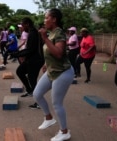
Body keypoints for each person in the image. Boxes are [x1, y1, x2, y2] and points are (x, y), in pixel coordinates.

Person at [33, 8, 74, 141]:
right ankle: (49, 118)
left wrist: (44, 38)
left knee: (57, 103)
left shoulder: (59, 33)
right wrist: (46, 64)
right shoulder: (51, 33)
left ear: (54, 19)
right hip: (51, 71)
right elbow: (49, 53)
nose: (44, 20)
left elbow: (58, 53)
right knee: (37, 94)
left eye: (46, 18)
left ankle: (64, 131)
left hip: (63, 72)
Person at [11, 18, 44, 110]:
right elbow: (30, 49)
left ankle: (39, 102)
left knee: (32, 79)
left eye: (22, 25)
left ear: (27, 24)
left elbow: (31, 50)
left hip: (36, 60)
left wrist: (17, 54)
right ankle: (30, 90)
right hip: (32, 59)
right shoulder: (32, 32)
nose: (21, 28)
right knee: (20, 71)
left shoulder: (33, 33)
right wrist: (18, 54)